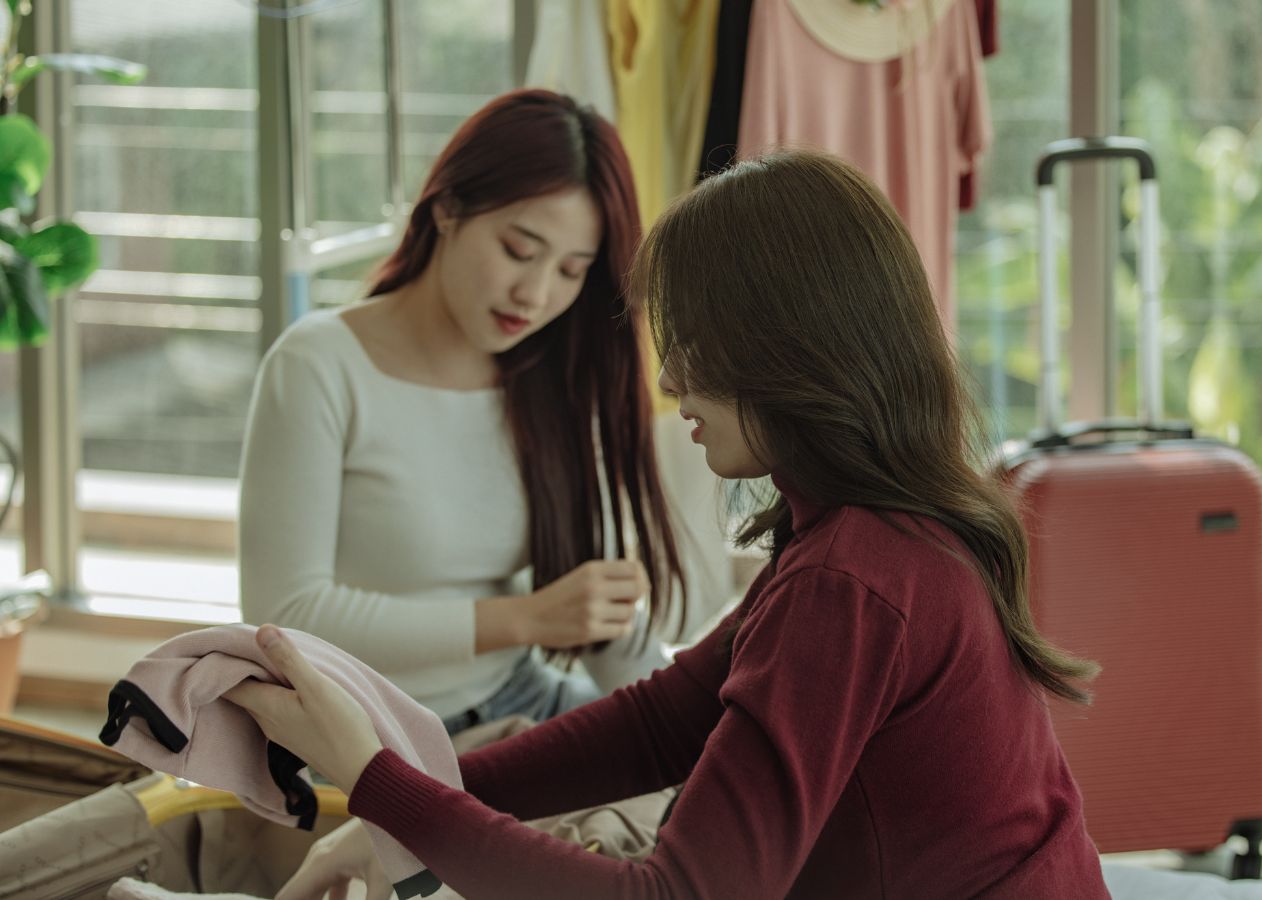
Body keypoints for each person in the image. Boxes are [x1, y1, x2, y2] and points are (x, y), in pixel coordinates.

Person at [229, 150, 1112, 899]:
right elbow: (660, 722)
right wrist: (406, 802)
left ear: (784, 348)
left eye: (690, 343)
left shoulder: (852, 578)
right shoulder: (866, 531)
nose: (668, 380)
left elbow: (674, 895)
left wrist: (384, 786)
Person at [238, 89, 686, 735]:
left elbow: (592, 612)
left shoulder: (551, 373)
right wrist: (525, 619)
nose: (534, 294)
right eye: (519, 250)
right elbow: (286, 615)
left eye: (571, 271)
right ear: (448, 208)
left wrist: (693, 731)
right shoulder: (318, 366)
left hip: (521, 696)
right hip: (366, 736)